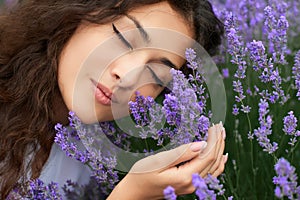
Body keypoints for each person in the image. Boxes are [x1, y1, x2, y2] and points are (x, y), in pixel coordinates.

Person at [0, 0, 226, 199]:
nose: (128, 77)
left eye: (156, 74)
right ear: (76, 12)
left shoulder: (97, 160)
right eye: (123, 39)